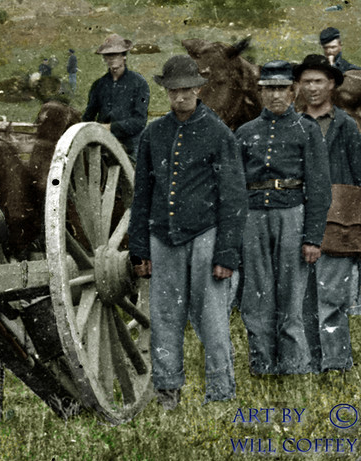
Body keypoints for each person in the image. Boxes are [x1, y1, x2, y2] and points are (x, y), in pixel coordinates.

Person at [128, 55, 247, 410]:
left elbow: (234, 198)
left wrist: (226, 254)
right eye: (172, 90)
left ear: (198, 88)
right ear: (166, 91)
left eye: (185, 89)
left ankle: (221, 393)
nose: (179, 96)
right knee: (164, 319)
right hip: (163, 237)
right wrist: (139, 249)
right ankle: (168, 393)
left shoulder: (218, 133)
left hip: (206, 236)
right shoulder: (154, 133)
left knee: (212, 320)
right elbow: (142, 195)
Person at [235, 60, 331, 375]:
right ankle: (262, 363)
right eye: (268, 89)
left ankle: (294, 364)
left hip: (293, 216)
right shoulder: (246, 133)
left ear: (293, 91)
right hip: (254, 218)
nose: (275, 96)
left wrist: (313, 237)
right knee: (257, 293)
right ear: (260, 93)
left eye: (281, 89)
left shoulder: (307, 130)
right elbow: (236, 186)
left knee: (293, 293)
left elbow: (319, 188)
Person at [295, 54, 361, 372]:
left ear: (332, 84)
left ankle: (335, 363)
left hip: (338, 223)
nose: (312, 87)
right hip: (299, 221)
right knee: (304, 298)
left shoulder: (346, 127)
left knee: (331, 298)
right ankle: (310, 360)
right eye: (306, 81)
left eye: (319, 81)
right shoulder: (292, 124)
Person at [83, 34, 150, 161]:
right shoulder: (99, 85)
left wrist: (110, 127)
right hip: (102, 144)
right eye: (108, 55)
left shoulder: (139, 83)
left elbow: (139, 121)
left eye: (116, 54)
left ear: (124, 56)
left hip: (130, 145)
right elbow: (88, 116)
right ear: (104, 58)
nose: (112, 59)